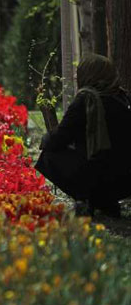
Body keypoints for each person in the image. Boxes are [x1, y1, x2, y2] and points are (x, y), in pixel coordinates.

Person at [35, 54, 131, 218]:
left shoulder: (87, 100)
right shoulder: (124, 98)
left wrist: (45, 139)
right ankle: (107, 203)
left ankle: (88, 200)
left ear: (87, 75)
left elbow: (59, 138)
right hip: (126, 181)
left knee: (49, 155)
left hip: (97, 177)